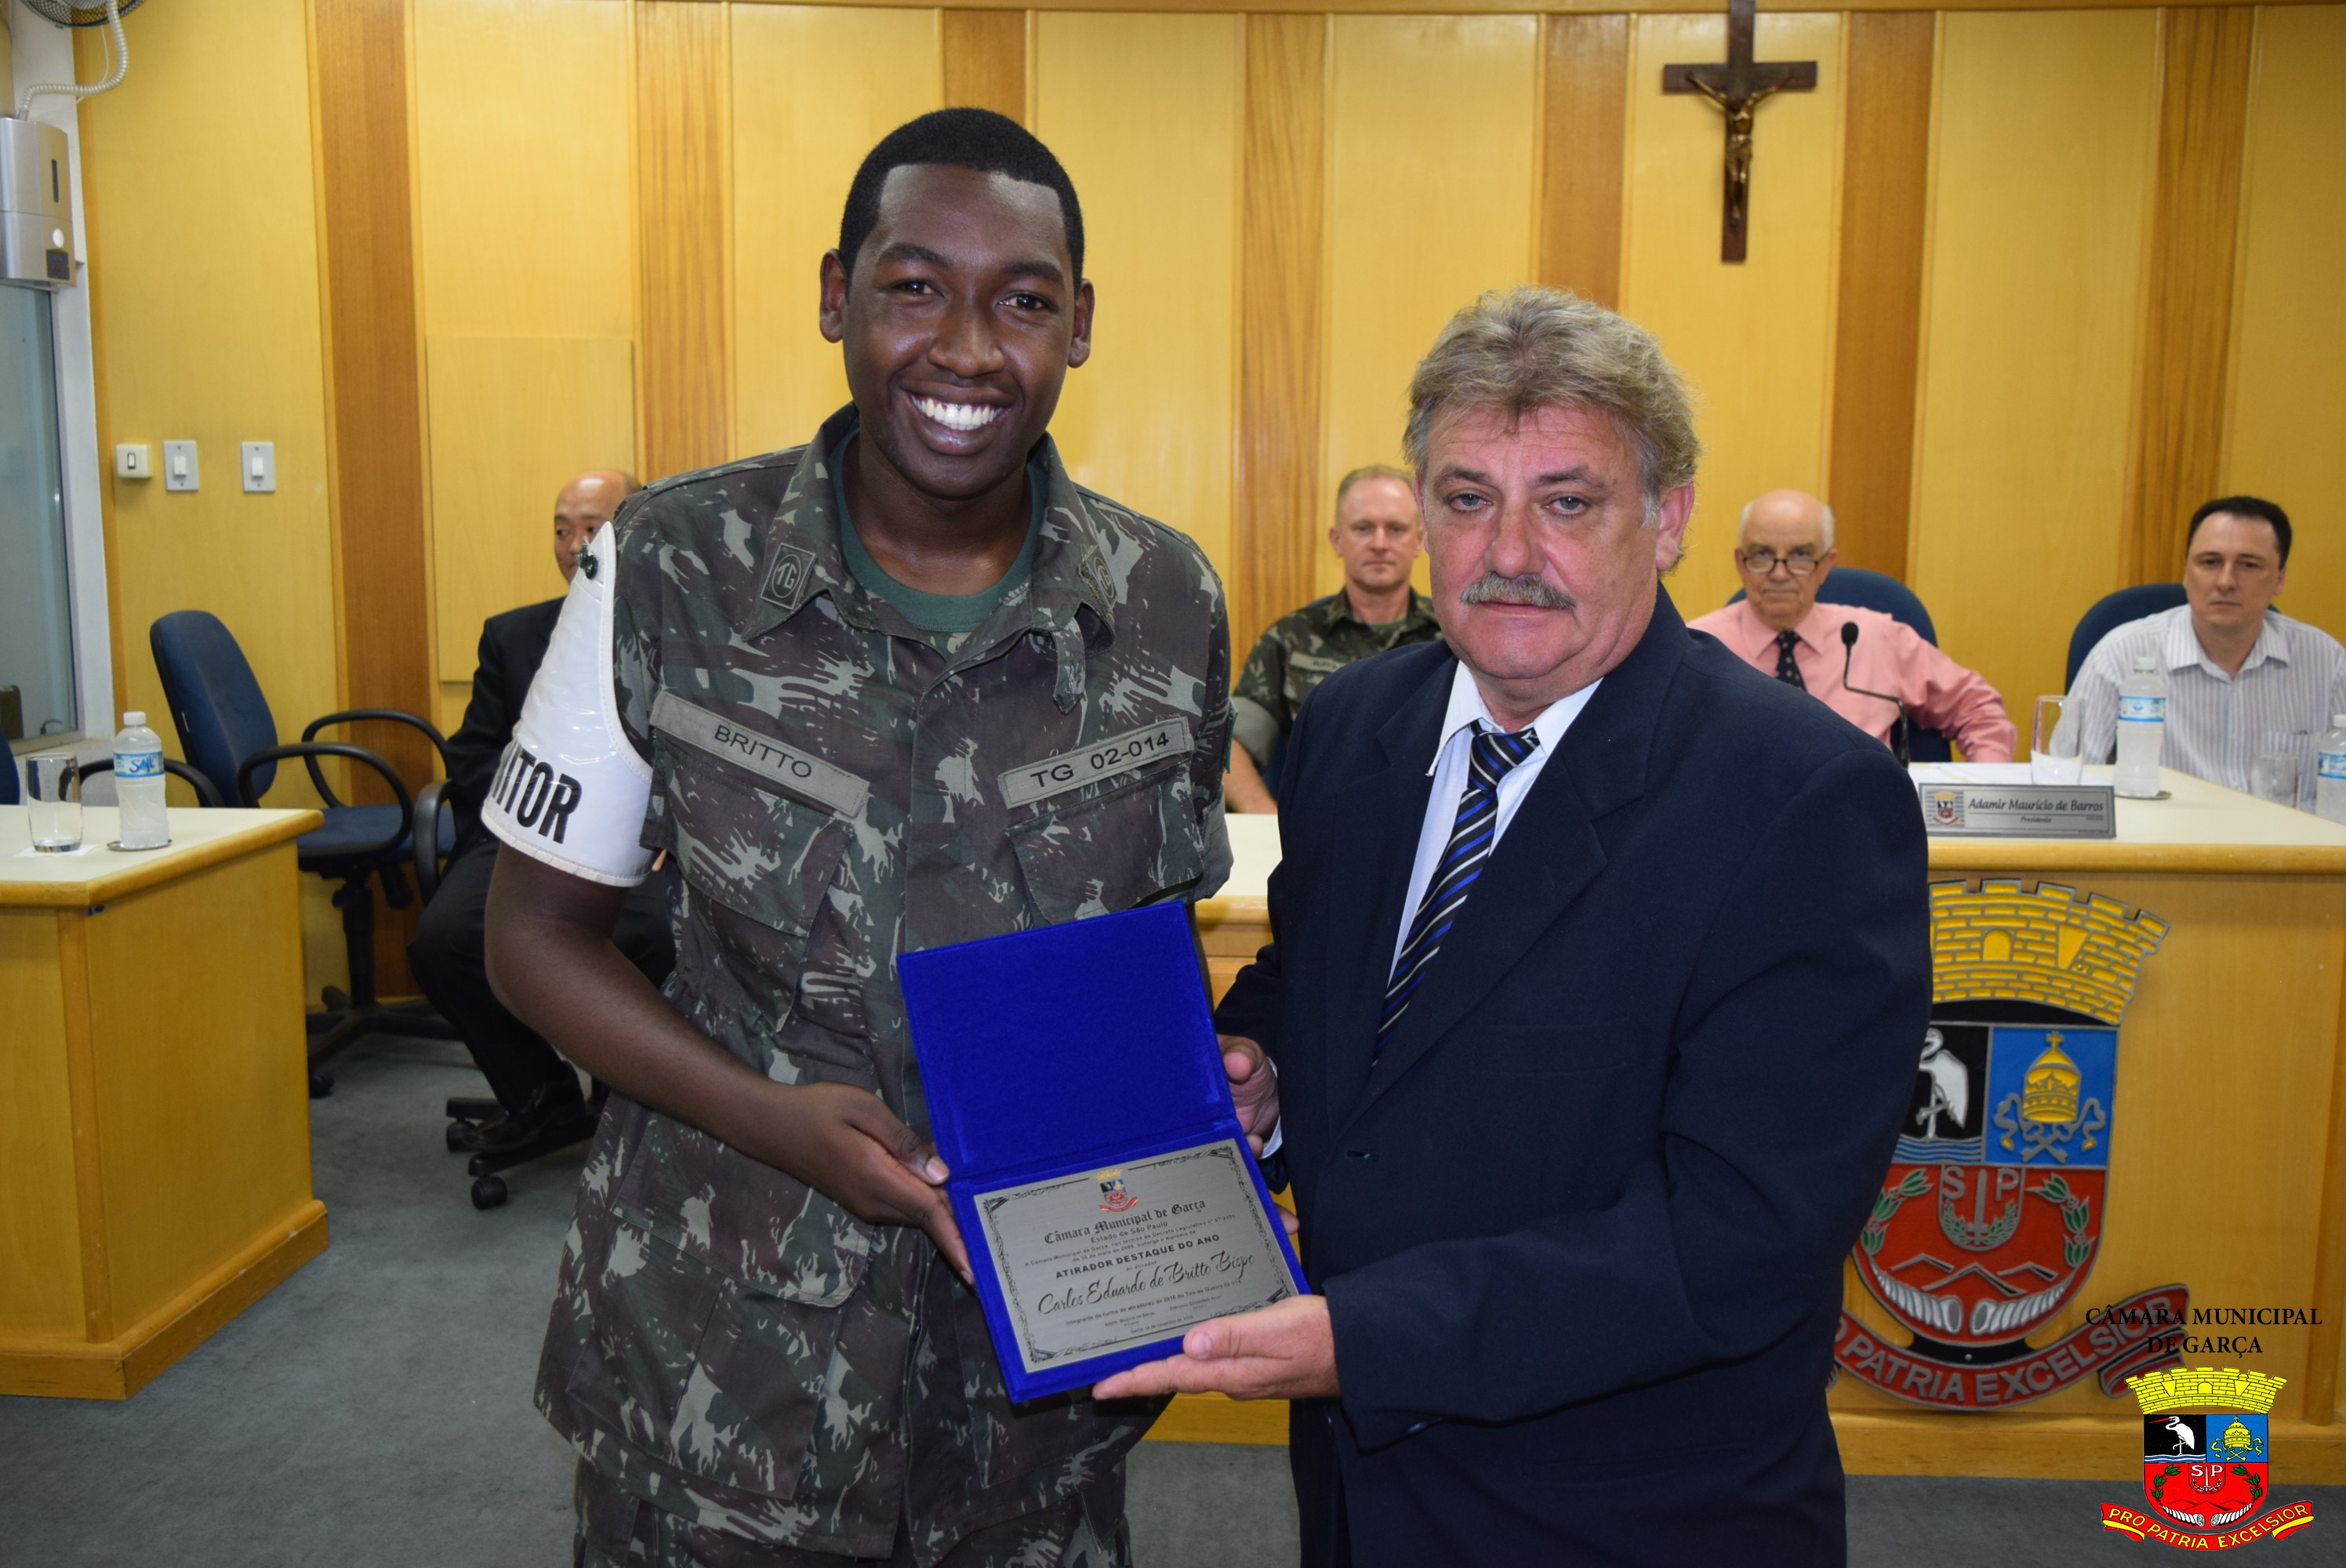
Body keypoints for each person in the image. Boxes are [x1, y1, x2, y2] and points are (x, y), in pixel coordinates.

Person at [479, 109, 1231, 1566]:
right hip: (727, 1369)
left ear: (1079, 327)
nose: (967, 349)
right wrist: (772, 1119)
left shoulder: (1164, 600)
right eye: (915, 286)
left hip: (1036, 1388)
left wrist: (1205, 1074)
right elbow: (530, 936)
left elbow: (1147, 938)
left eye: (1024, 300)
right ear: (838, 296)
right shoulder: (669, 568)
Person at [1096, 287, 1930, 1565]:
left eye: (1569, 502)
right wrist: (1261, 1068)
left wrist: (1369, 1337)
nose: (1509, 551)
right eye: (1468, 496)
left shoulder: (1804, 800)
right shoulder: (1357, 726)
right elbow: (1326, 974)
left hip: (1628, 1509)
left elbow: (1743, 1233)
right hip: (1362, 1494)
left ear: (1668, 519)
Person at [408, 470, 673, 1157]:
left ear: (631, 533)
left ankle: (623, 1106)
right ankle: (540, 1098)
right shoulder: (511, 636)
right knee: (443, 941)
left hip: (647, 849)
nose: (573, 544)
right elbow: (473, 753)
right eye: (561, 529)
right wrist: (520, 818)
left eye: (591, 527)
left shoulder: (685, 635)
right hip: (531, 835)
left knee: (655, 941)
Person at [1687, 488, 2015, 761]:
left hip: (1862, 813)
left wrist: (1985, 793)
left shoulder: (1875, 637)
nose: (1780, 573)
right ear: (1740, 563)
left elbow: (1978, 707)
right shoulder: (1697, 646)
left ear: (1826, 565)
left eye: (1800, 555)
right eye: (1762, 554)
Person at [2065, 495, 2346, 798]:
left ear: (2280, 579)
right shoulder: (2119, 655)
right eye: (2210, 562)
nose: (2226, 581)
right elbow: (2064, 786)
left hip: (2287, 831)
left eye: (2248, 565)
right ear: (2187, 573)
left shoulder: (2327, 663)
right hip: (2163, 829)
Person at [1226, 466, 1444, 812]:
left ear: (1420, 540)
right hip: (1321, 831)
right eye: (1363, 528)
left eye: (1396, 529)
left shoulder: (1452, 638)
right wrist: (1268, 820)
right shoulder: (1291, 638)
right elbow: (1229, 745)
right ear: (1337, 540)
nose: (1379, 543)